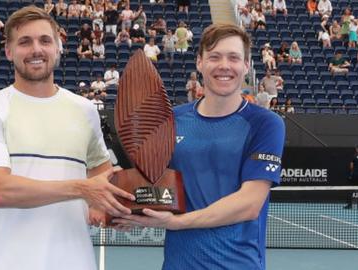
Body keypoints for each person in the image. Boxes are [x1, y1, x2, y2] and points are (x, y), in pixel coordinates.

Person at [0, 6, 134, 270]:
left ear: (58, 47)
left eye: (45, 40)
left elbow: (100, 170)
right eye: (25, 42)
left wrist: (107, 207)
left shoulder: (85, 110)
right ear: (9, 51)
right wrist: (82, 189)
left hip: (77, 262)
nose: (36, 49)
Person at [114, 24, 285, 270]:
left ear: (246, 66)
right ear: (199, 62)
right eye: (214, 57)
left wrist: (176, 223)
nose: (224, 65)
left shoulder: (266, 123)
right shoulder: (171, 120)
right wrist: (130, 209)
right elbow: (159, 187)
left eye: (234, 57)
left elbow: (249, 204)